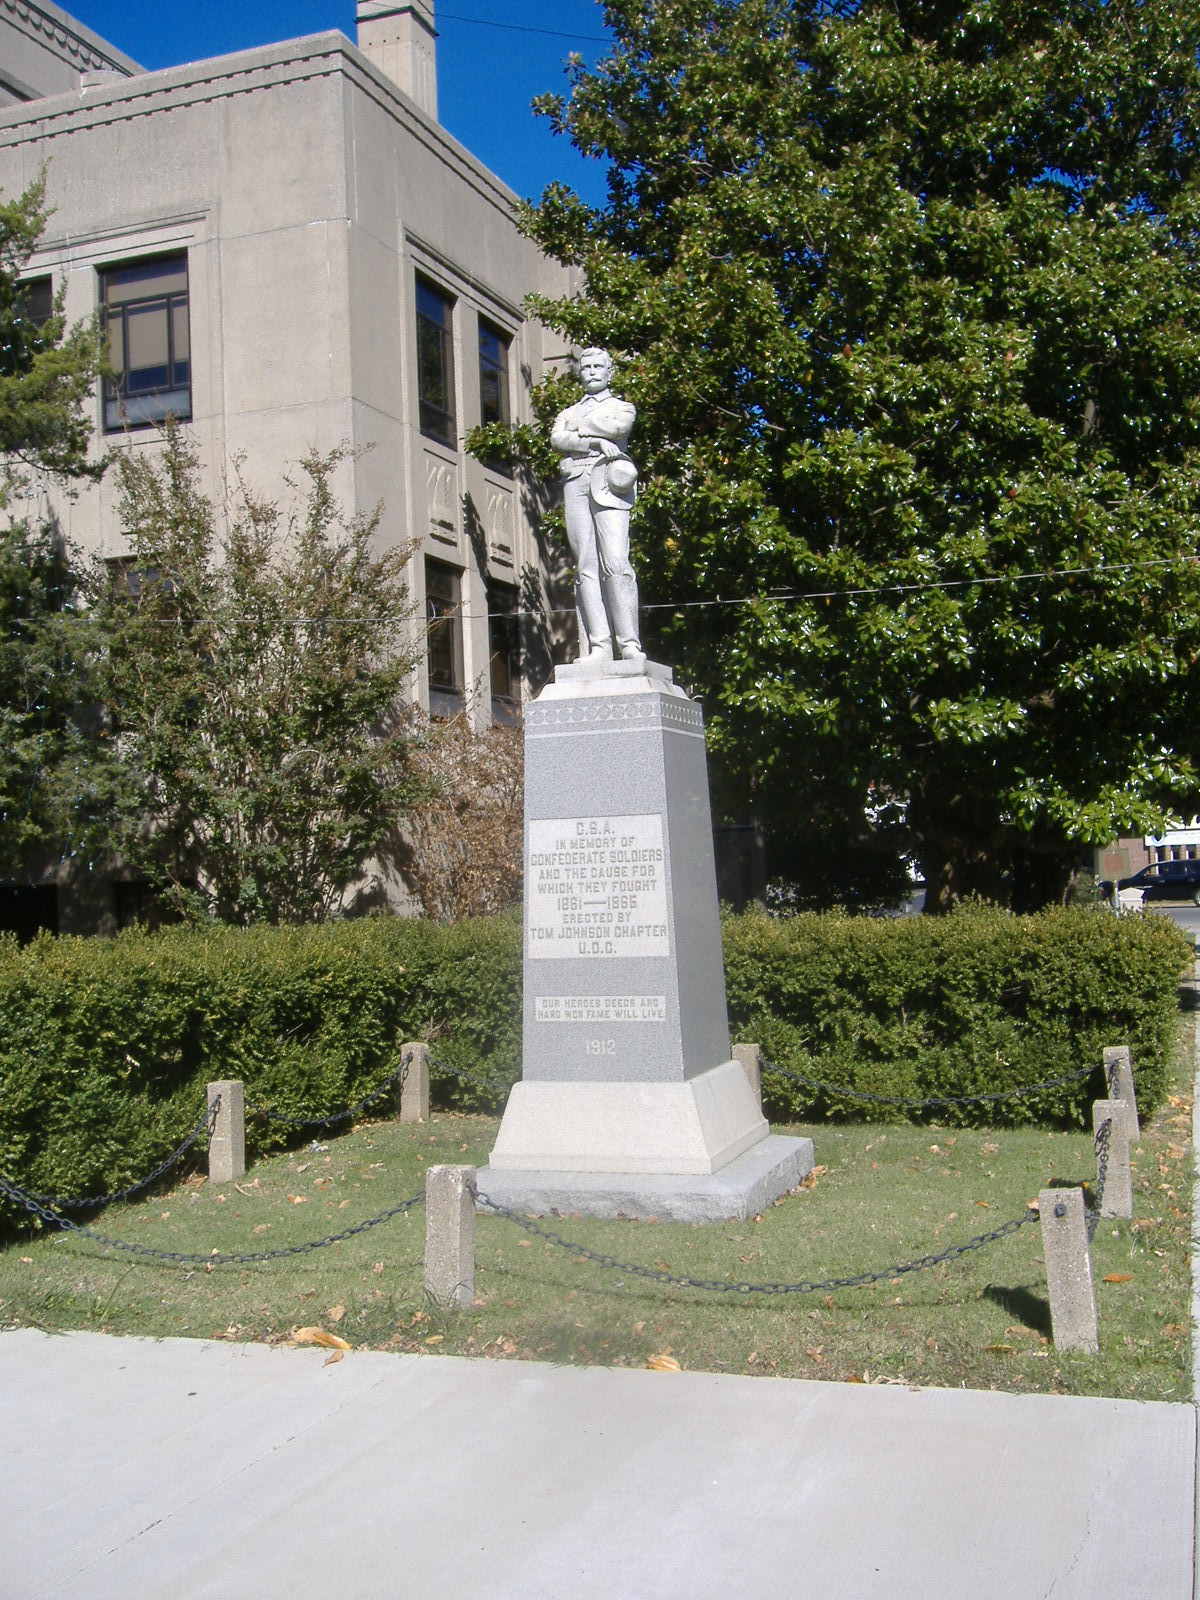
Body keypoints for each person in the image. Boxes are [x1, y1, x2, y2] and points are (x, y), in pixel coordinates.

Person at [550, 347, 645, 664]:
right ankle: (600, 646)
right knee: (586, 567)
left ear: (609, 372)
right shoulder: (567, 411)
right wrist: (594, 441)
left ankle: (629, 643)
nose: (591, 371)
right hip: (576, 482)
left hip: (609, 483)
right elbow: (557, 440)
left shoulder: (622, 407)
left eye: (597, 366)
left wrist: (580, 431)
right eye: (586, 366)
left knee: (616, 563)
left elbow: (618, 429)